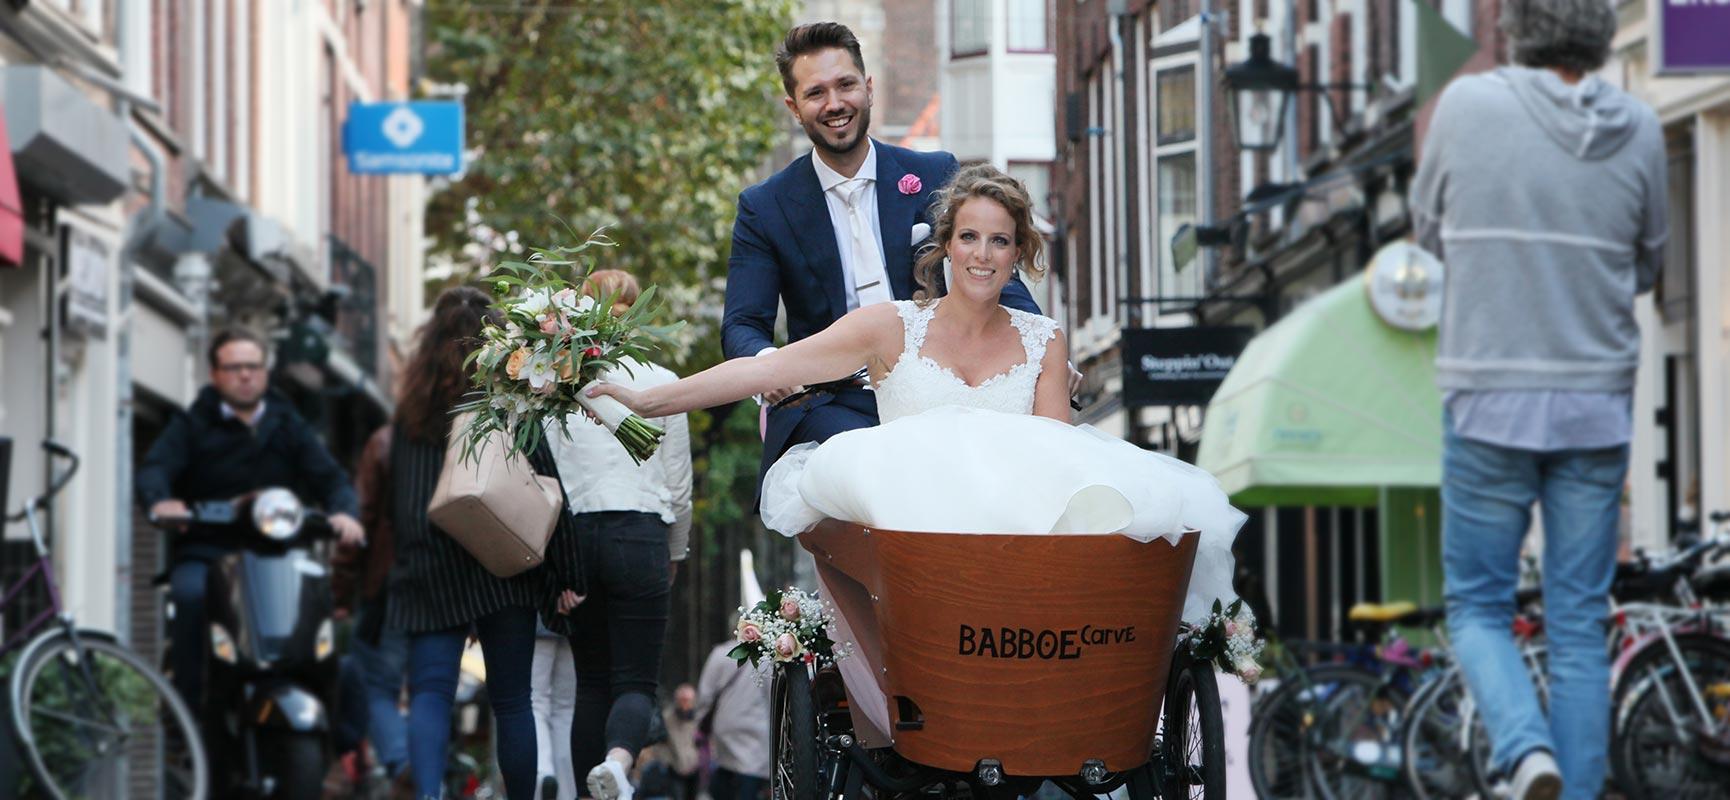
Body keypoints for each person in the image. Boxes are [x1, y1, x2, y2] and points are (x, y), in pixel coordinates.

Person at [589, 163, 1244, 746]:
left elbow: (1056, 456)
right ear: (944, 247)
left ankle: (1064, 706)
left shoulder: (1045, 339)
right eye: (969, 238)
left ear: (1019, 252)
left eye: (1000, 240)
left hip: (1018, 552)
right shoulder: (891, 326)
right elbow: (772, 369)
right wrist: (654, 402)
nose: (983, 256)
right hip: (920, 542)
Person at [1408, 3, 1667, 798]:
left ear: (1518, 26)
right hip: (1595, 403)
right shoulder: (1643, 127)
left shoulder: (1466, 105)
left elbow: (1426, 235)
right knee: (1581, 625)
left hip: (1489, 397)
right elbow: (1650, 266)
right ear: (1596, 30)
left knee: (1479, 607)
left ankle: (1527, 753)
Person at [722, 22, 1044, 494]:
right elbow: (742, 325)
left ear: (868, 88)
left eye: (846, 84)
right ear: (794, 108)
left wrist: (1041, 348)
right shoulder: (764, 206)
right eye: (816, 93)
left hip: (943, 391)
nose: (834, 103)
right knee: (878, 476)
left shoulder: (934, 173)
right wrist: (771, 366)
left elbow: (990, 269)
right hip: (833, 403)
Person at [383, 286, 582, 800]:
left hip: (431, 565)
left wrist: (411, 565)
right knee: (513, 699)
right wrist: (566, 574)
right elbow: (546, 493)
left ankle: (428, 794)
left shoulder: (411, 413)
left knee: (429, 693)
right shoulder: (509, 405)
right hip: (503, 563)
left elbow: (403, 503)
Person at [136, 328, 364, 713]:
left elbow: (331, 478)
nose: (245, 375)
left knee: (317, 601)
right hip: (208, 552)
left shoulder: (288, 423)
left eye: (253, 367)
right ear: (215, 374)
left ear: (265, 371)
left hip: (277, 553)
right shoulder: (192, 424)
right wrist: (162, 503)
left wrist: (345, 512)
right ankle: (189, 713)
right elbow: (155, 469)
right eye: (234, 367)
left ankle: (327, 721)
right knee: (190, 597)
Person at [545, 269, 695, 800]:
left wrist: (555, 567)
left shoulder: (557, 386)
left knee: (591, 683)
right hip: (642, 534)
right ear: (636, 313)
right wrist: (673, 553)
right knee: (634, 681)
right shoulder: (662, 381)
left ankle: (591, 792)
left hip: (577, 540)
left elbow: (549, 484)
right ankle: (616, 762)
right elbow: (678, 486)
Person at [332, 424, 411, 785]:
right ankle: (428, 778)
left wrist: (341, 592)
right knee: (432, 690)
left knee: (376, 686)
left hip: (389, 585)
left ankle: (399, 759)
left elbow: (359, 520)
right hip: (448, 588)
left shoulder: (384, 442)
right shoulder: (465, 434)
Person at [694, 642, 770, 800]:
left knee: (725, 767)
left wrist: (701, 719)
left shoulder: (720, 653)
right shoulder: (766, 657)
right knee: (750, 773)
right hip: (757, 726)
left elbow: (705, 694)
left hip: (724, 724)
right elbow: (772, 694)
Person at [529, 620, 577, 800]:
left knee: (535, 702)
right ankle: (567, 791)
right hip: (575, 617)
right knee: (566, 708)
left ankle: (543, 774)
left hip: (538, 618)